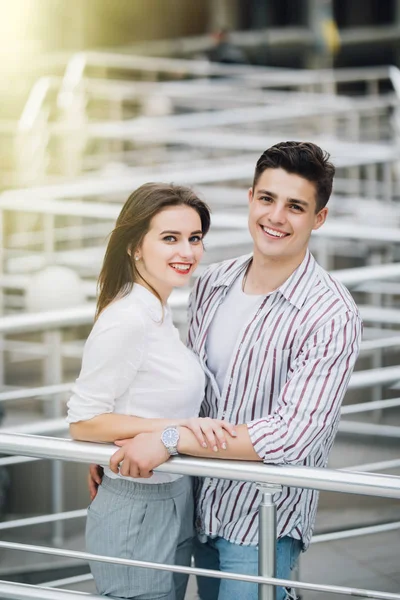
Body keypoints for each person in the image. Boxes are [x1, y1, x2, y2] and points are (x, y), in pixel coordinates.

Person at [91, 142, 362, 600]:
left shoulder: (330, 313)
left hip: (260, 518)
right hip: (187, 503)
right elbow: (176, 386)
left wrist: (168, 440)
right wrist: (115, 448)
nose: (276, 217)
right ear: (251, 197)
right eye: (267, 199)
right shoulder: (210, 283)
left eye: (295, 206)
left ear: (318, 218)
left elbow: (292, 436)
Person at [67, 182, 238, 600]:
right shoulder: (127, 318)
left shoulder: (158, 311)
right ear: (135, 247)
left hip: (174, 491)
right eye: (170, 238)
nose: (187, 252)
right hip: (137, 503)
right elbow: (83, 421)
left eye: (195, 238)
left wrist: (163, 436)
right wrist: (177, 427)